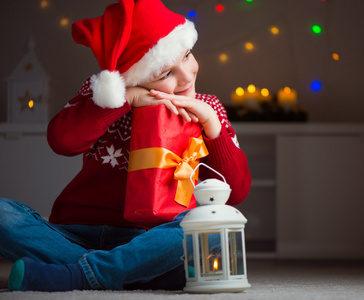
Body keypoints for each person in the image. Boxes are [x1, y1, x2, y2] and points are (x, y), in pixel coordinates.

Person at [1, 0, 251, 292]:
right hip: (75, 231)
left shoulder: (208, 109)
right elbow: (61, 140)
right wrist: (125, 99)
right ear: (134, 77)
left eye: (186, 56)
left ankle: (79, 275)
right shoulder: (106, 96)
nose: (186, 75)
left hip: (151, 238)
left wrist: (212, 127)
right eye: (165, 74)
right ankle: (136, 273)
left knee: (209, 229)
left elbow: (236, 192)